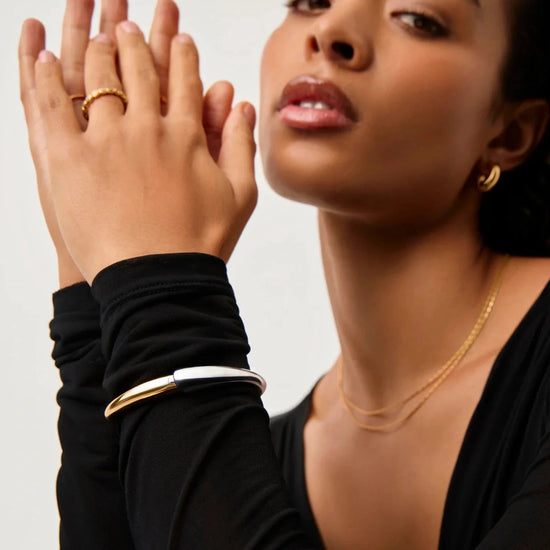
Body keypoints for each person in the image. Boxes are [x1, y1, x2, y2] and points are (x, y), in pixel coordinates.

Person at [18, 0, 550, 548]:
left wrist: (162, 288)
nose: (330, 30)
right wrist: (96, 299)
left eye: (417, 17)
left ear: (510, 132)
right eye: (310, 2)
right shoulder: (241, 464)